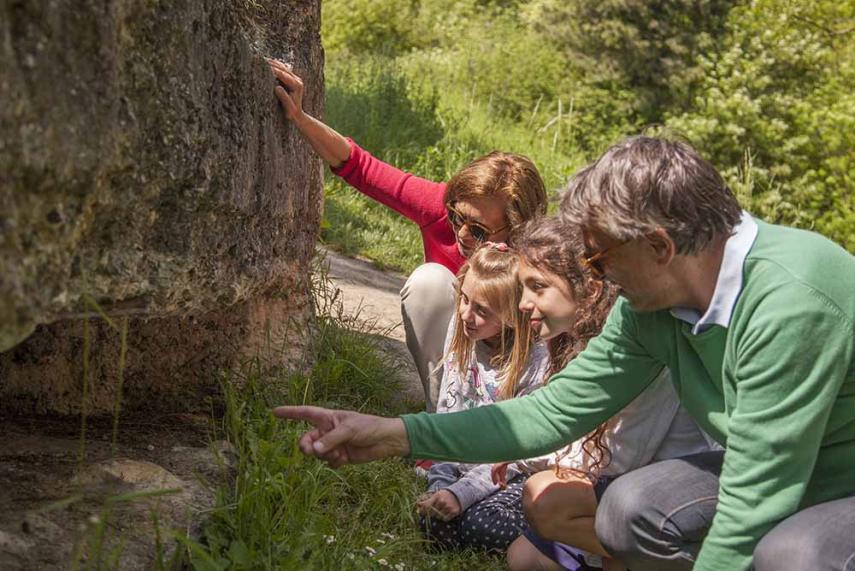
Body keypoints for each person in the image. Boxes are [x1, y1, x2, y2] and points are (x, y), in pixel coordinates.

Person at [274, 135, 855, 571]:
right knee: (629, 510)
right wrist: (394, 433)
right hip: (778, 465)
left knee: (790, 553)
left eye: (599, 259)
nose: (597, 279)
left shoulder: (791, 302)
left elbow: (755, 502)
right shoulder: (654, 300)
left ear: (659, 245)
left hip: (833, 479)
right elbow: (550, 413)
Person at [267, 58, 547, 411]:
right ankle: (440, 417)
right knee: (428, 283)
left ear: (517, 229)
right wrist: (300, 117)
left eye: (477, 229)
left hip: (519, 371)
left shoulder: (537, 254)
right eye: (456, 215)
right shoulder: (439, 206)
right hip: (458, 346)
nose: (460, 233)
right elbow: (359, 166)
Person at [496, 216, 715, 571]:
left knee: (546, 499)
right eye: (523, 288)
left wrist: (551, 465)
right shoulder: (578, 338)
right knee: (523, 557)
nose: (523, 303)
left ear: (587, 288)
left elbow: (625, 457)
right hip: (623, 481)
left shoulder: (638, 347)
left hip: (668, 491)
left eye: (538, 287)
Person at [414, 242, 549, 552]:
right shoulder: (463, 332)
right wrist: (440, 487)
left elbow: (518, 454)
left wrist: (462, 494)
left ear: (515, 316)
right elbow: (448, 421)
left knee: (482, 525)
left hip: (511, 473)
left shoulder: (534, 362)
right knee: (432, 521)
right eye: (464, 299)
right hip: (460, 465)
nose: (465, 314)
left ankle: (543, 541)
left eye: (481, 310)